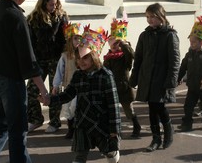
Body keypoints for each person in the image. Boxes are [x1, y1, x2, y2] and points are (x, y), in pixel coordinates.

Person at [41, 25, 121, 163]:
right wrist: (50, 100)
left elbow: (113, 105)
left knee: (110, 153)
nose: (80, 61)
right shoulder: (78, 75)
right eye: (78, 58)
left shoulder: (106, 76)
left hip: (102, 123)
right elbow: (68, 94)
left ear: (94, 57)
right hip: (83, 122)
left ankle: (113, 154)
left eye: (85, 58)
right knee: (80, 156)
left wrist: (114, 129)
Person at [0, 0, 48, 163]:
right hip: (11, 80)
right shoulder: (16, 17)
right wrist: (43, 89)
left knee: (1, 128)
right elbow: (28, 58)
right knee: (18, 131)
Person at [129, 3, 180, 152]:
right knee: (152, 108)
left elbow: (175, 60)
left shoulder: (170, 35)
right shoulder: (144, 35)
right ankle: (156, 138)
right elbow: (138, 58)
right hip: (147, 78)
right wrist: (134, 77)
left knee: (160, 107)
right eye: (147, 17)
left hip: (161, 78)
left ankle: (168, 132)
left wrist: (171, 79)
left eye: (152, 16)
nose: (150, 20)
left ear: (161, 16)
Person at [26, 0, 68, 133]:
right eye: (51, 4)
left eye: (55, 4)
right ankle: (36, 119)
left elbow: (65, 38)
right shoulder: (33, 19)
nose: (54, 7)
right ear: (43, 4)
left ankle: (55, 122)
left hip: (56, 59)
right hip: (39, 60)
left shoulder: (61, 17)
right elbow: (30, 41)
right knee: (31, 91)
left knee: (55, 90)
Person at [103, 19, 141, 138]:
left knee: (128, 110)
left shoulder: (125, 57)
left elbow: (131, 54)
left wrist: (124, 44)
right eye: (113, 44)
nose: (115, 46)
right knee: (111, 111)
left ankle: (136, 126)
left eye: (117, 44)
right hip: (112, 88)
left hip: (124, 87)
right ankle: (113, 131)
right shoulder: (108, 57)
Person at [51, 22, 83, 139]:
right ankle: (71, 128)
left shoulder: (84, 55)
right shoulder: (65, 56)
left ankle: (77, 128)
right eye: (75, 38)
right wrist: (56, 85)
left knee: (75, 107)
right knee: (67, 109)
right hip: (69, 86)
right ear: (70, 40)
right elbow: (59, 71)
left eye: (80, 38)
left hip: (80, 87)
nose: (77, 41)